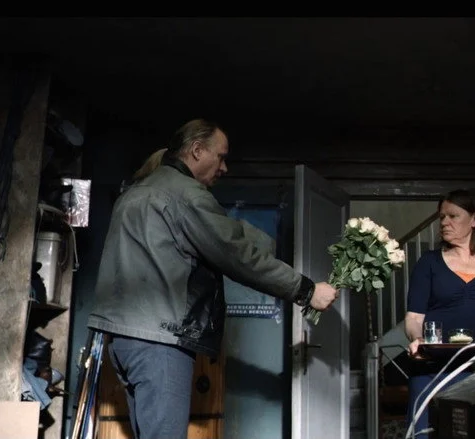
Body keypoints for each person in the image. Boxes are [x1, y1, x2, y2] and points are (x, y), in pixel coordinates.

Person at [87, 119, 339, 439]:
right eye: (221, 156)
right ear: (197, 150)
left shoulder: (136, 193)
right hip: (160, 342)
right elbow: (239, 256)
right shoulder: (186, 194)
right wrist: (306, 290)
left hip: (124, 341)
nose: (224, 167)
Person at [403, 188, 475, 437]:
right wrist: (417, 338)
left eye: (453, 216)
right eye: (442, 217)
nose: (444, 222)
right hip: (432, 369)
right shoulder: (428, 262)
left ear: (474, 220)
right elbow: (414, 318)